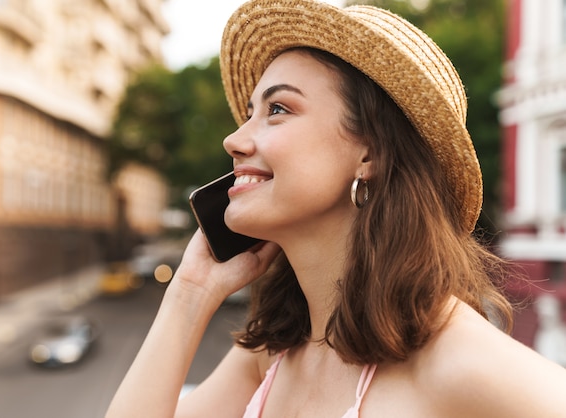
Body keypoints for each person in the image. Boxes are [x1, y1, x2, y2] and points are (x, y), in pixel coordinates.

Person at [106, 1, 566, 417]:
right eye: (248, 114)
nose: (235, 140)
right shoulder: (273, 355)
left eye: (278, 109)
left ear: (371, 154)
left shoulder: (455, 360)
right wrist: (190, 293)